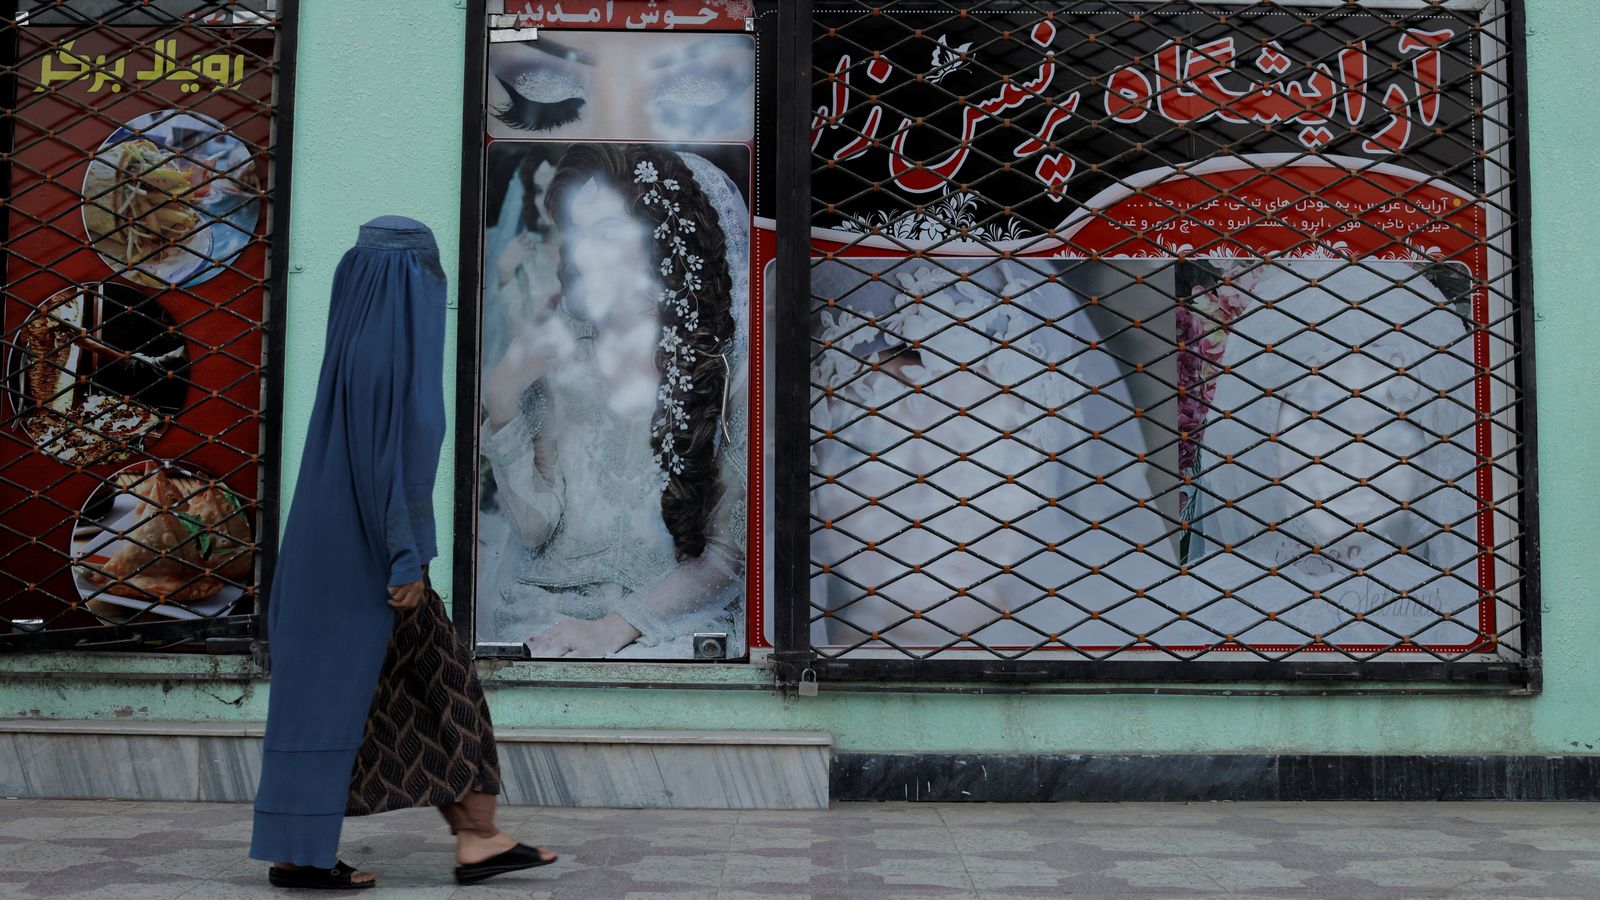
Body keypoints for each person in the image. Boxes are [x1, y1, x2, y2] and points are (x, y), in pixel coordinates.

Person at [250, 216, 556, 889]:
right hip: (373, 565)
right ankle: (310, 856)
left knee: (424, 693)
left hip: (334, 560)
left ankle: (477, 837)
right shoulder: (392, 363)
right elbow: (393, 470)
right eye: (427, 274)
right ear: (409, 281)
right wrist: (406, 561)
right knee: (425, 694)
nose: (433, 289)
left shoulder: (356, 349)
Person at [478, 145, 749, 658]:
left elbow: (724, 556)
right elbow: (535, 528)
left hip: (668, 628)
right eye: (578, 235)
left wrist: (614, 628)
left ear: (663, 235)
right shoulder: (560, 349)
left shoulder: (725, 365)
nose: (585, 254)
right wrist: (502, 397)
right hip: (545, 616)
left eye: (607, 233)